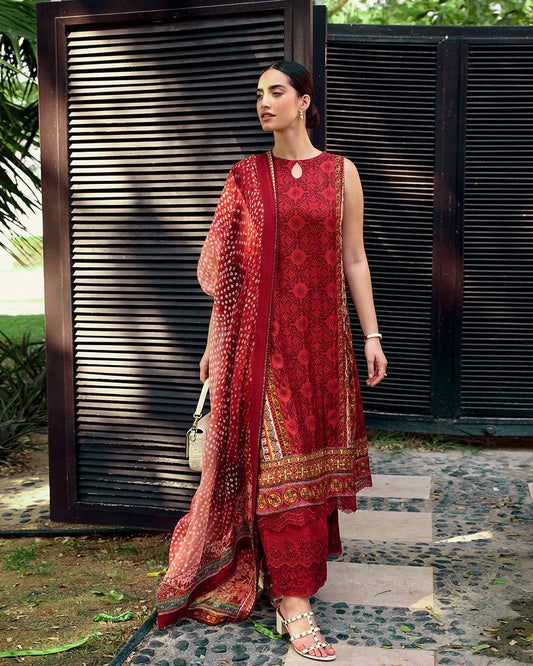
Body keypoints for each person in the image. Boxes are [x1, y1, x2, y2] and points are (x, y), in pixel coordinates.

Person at [156, 60, 387, 662]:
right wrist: (213, 345)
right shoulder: (246, 176)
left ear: (304, 100)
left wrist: (371, 336)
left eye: (276, 92)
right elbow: (228, 274)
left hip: (323, 344)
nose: (263, 102)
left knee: (307, 462)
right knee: (278, 464)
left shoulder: (342, 174)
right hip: (258, 348)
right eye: (258, 93)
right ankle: (293, 603)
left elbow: (355, 260)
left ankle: (296, 575)